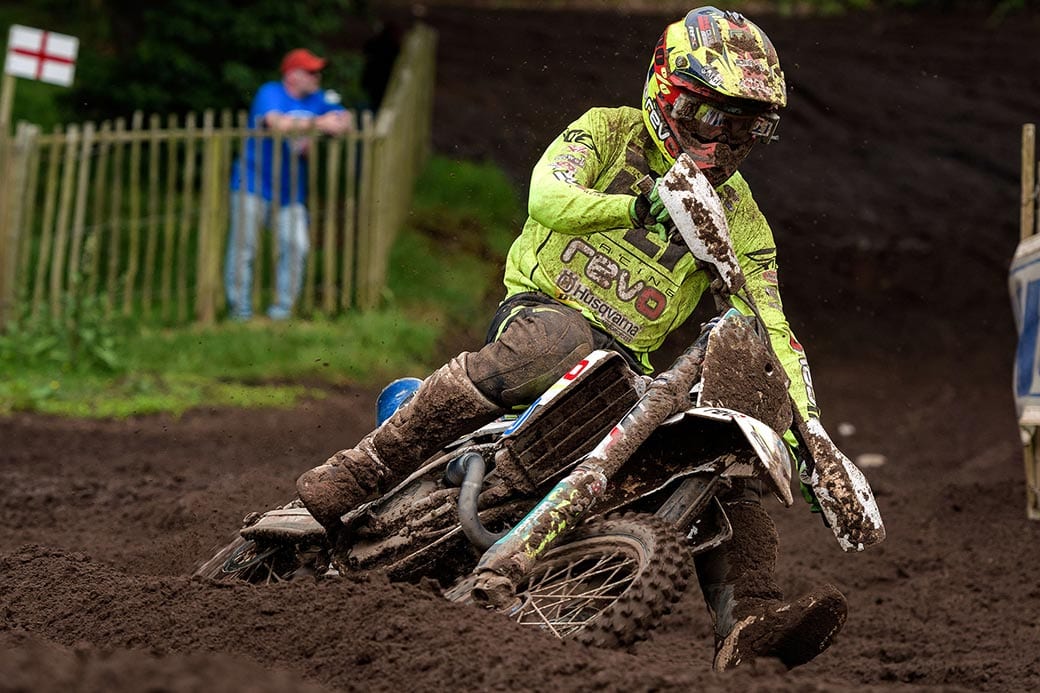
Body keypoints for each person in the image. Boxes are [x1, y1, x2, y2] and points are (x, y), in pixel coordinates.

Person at [298, 8, 851, 670]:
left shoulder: (741, 217)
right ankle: (366, 467)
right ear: (668, 94)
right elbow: (546, 195)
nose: (727, 140)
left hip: (628, 371)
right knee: (561, 336)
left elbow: (773, 328)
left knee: (718, 452)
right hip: (541, 316)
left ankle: (749, 618)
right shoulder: (607, 132)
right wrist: (637, 207)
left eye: (748, 126)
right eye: (713, 117)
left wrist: (814, 439)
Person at [225, 48, 353, 321]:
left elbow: (345, 121)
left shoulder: (318, 99)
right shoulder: (270, 93)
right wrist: (320, 123)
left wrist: (337, 122)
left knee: (297, 245)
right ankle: (240, 311)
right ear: (292, 75)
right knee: (244, 248)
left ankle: (281, 311)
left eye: (318, 71)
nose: (317, 76)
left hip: (290, 191)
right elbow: (275, 123)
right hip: (252, 181)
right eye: (311, 72)